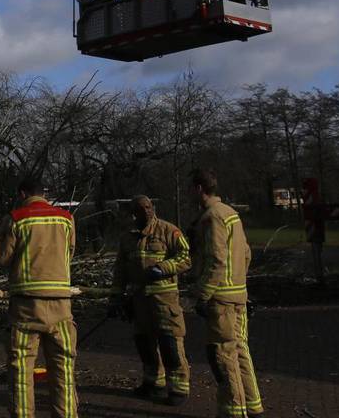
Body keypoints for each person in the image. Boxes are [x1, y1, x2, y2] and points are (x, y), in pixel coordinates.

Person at [0, 178, 79, 418]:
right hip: (62, 307)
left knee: (21, 372)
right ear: (44, 194)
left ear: (23, 193)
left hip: (25, 309)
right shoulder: (66, 219)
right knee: (63, 371)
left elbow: (1, 258)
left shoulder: (16, 218)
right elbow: (69, 253)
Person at [189, 168, 263, 417]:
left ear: (199, 188)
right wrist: (239, 283)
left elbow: (216, 260)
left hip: (221, 301)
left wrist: (202, 293)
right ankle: (253, 406)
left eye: (191, 188)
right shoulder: (232, 213)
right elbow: (246, 254)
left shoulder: (212, 217)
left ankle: (233, 411)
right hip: (238, 295)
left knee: (222, 355)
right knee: (240, 351)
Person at [110, 196, 192, 405]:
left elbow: (186, 258)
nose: (146, 211)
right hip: (139, 301)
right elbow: (120, 270)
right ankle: (153, 383)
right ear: (133, 213)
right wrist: (116, 298)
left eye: (148, 207)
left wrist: (163, 268)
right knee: (144, 344)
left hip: (164, 300)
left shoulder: (168, 231)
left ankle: (179, 390)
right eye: (140, 209)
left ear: (153, 208)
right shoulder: (128, 238)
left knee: (170, 343)